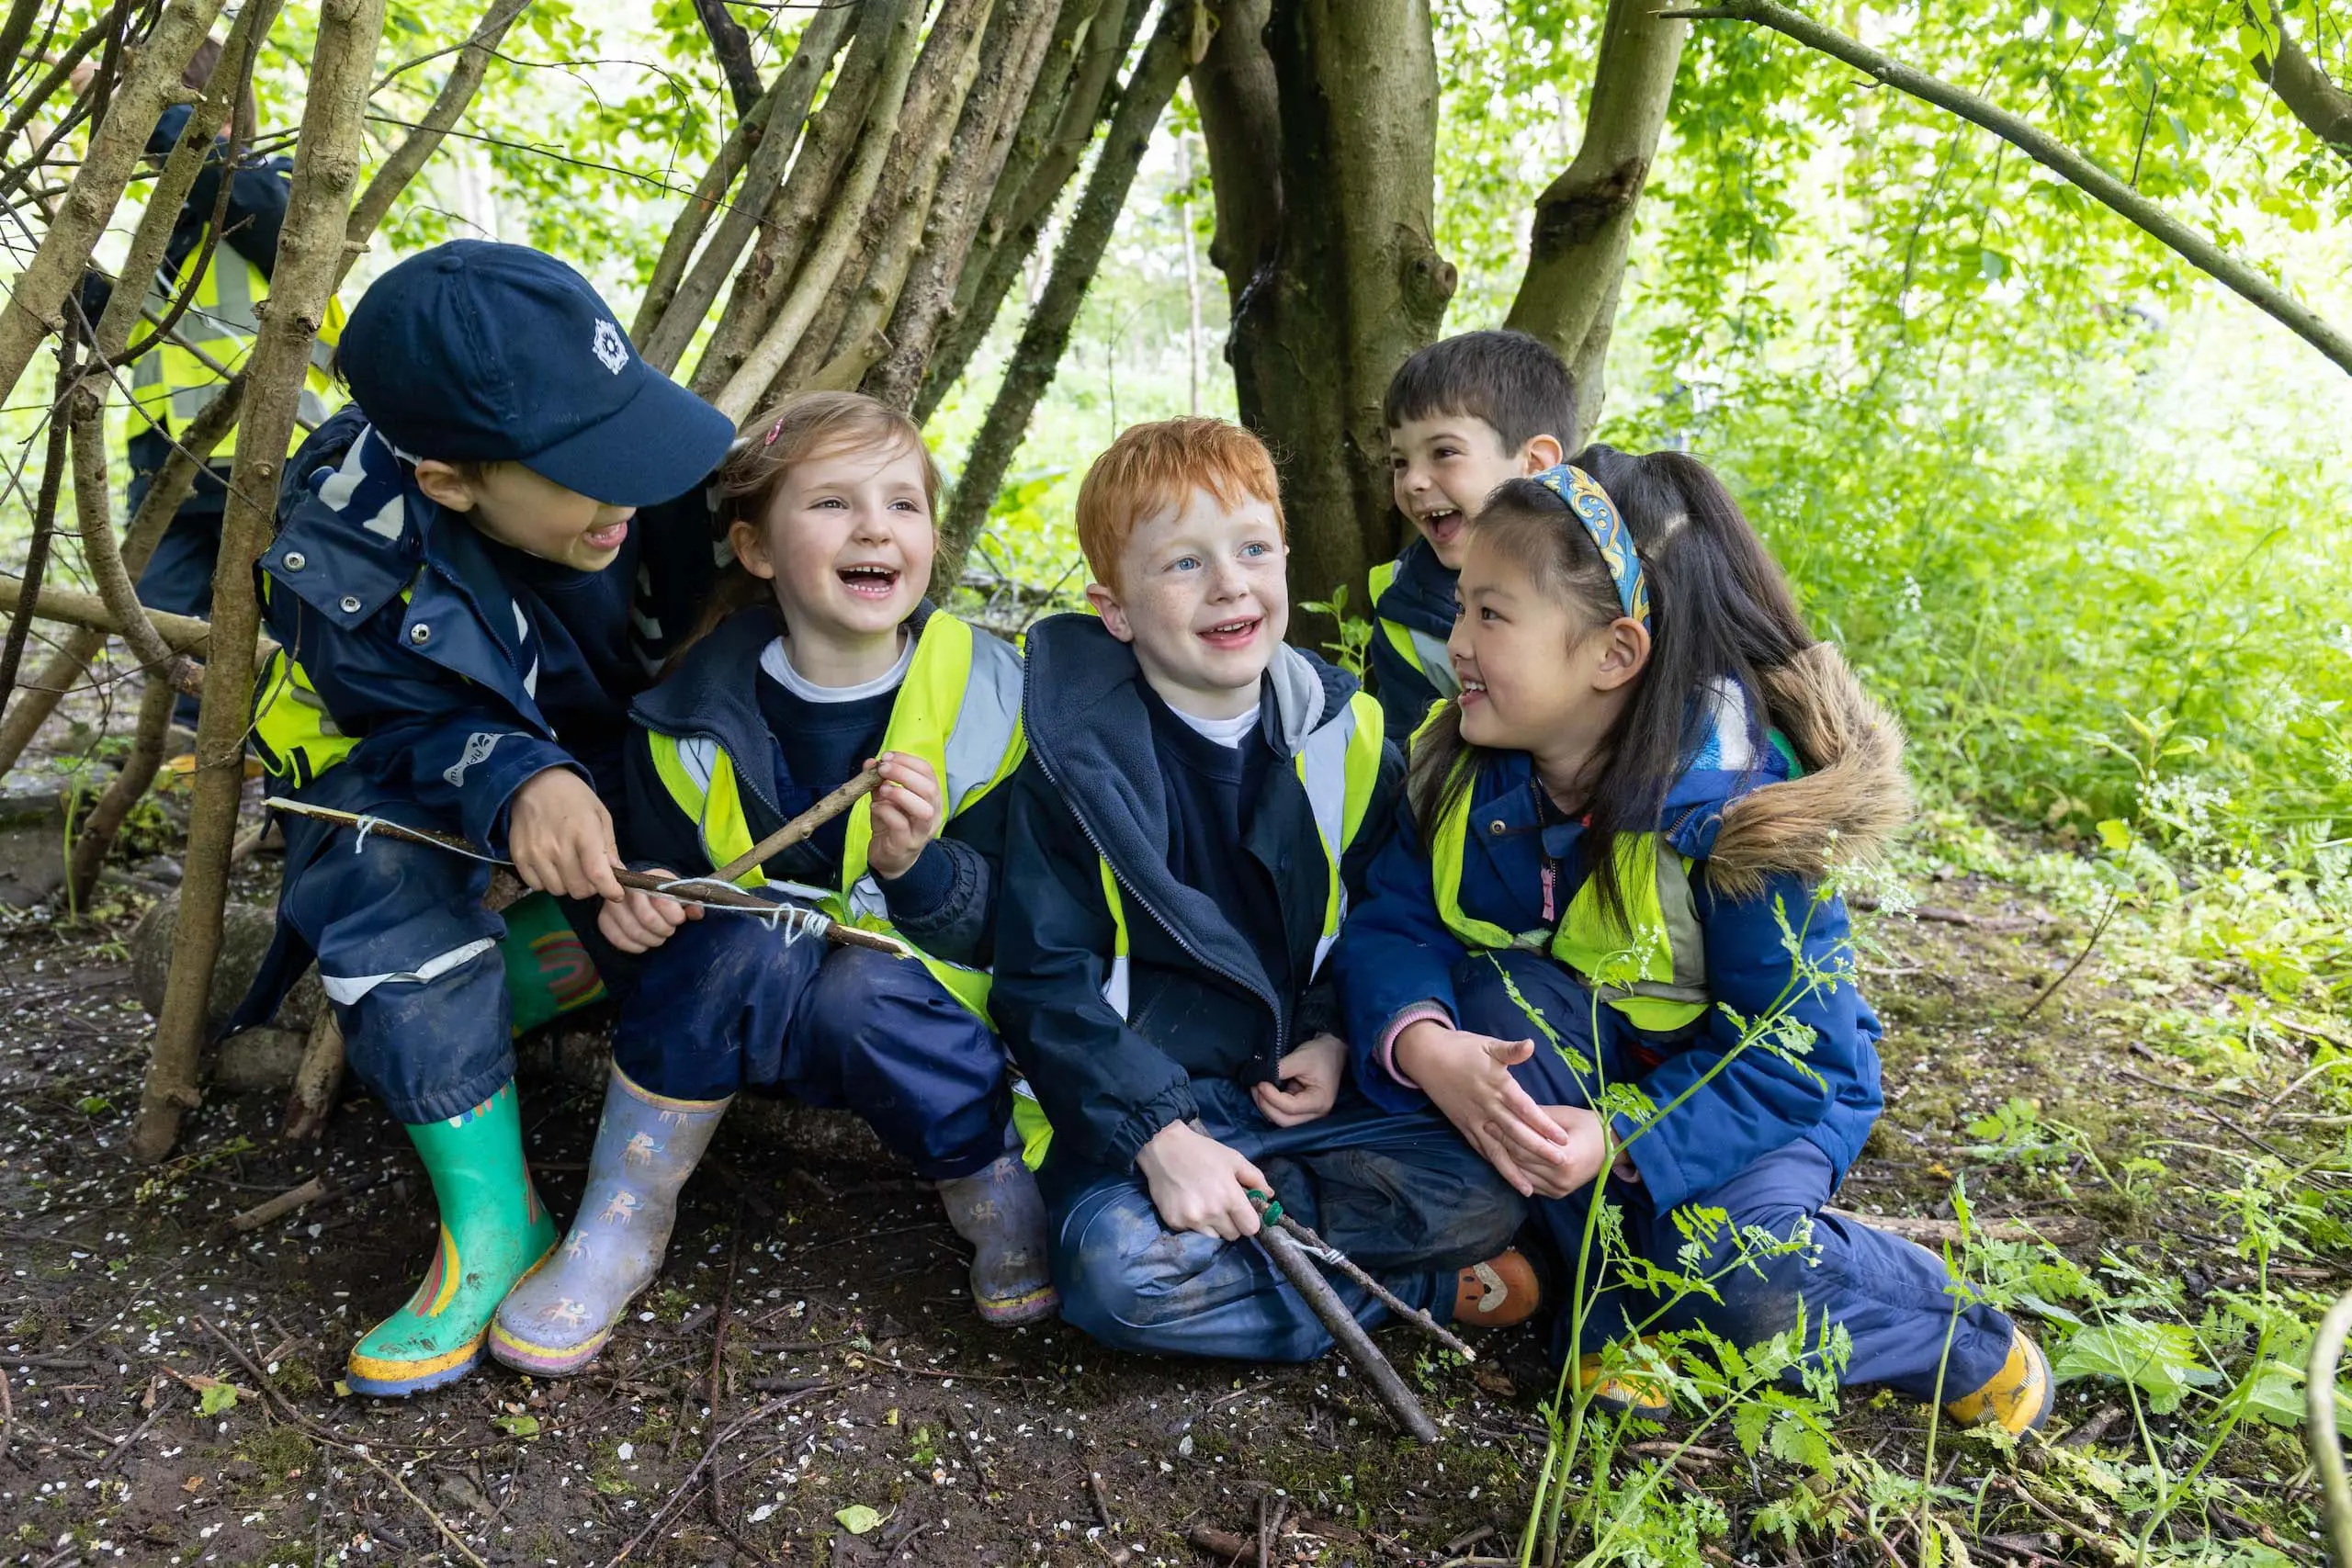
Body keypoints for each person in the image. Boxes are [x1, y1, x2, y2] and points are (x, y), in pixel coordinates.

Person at [1336, 452, 2054, 1434]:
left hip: (1759, 1102)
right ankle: (1608, 1307)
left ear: (1613, 655)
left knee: (1726, 1275)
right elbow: (1395, 920)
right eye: (1461, 609)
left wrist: (1622, 1132)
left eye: (1491, 616)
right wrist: (1422, 1038)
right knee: (1484, 998)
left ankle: (1949, 1333)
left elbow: (1787, 1054)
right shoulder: (1461, 767)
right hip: (1592, 1068)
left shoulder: (1739, 814)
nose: (1457, 641)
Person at [229, 241, 735, 1397]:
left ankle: (498, 990)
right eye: (582, 471)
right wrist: (512, 774)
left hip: (620, 731)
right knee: (378, 885)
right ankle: (492, 1218)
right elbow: (395, 724)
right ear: (451, 481)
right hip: (398, 766)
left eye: (628, 441)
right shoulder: (344, 548)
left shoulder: (647, 486)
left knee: (694, 893)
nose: (628, 491)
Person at [488, 390, 1053, 1377]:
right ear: (754, 550)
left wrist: (916, 868)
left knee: (860, 983)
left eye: (902, 505)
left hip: (923, 1028)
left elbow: (1020, 922)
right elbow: (654, 881)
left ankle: (988, 1182)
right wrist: (638, 902)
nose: (875, 526)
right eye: (832, 504)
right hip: (730, 1023)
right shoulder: (685, 713)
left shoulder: (992, 699)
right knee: (738, 946)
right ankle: (621, 1221)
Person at [989, 416, 1533, 1362]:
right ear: (1112, 608)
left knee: (1486, 1185)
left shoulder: (1350, 738)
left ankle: (1283, 1251)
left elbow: (1379, 923)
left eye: (1249, 550)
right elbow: (1044, 984)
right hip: (1149, 1112)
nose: (1229, 583)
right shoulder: (1070, 761)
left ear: (1283, 558)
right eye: (1183, 565)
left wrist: (1329, 1032)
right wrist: (1159, 1135)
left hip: (1306, 1115)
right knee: (1113, 1274)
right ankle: (1421, 1286)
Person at [74, 37, 345, 682]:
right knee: (163, 611)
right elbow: (134, 328)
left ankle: (264, 740)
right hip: (168, 458)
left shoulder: (273, 194)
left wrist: (124, 103)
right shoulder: (176, 226)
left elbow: (220, 184)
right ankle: (187, 741)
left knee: (275, 609)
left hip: (262, 451)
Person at [1369, 330, 1577, 739]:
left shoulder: (1614, 577)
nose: (1412, 482)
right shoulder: (1403, 612)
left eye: (1444, 452)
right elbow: (1410, 758)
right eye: (1399, 461)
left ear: (1534, 464)